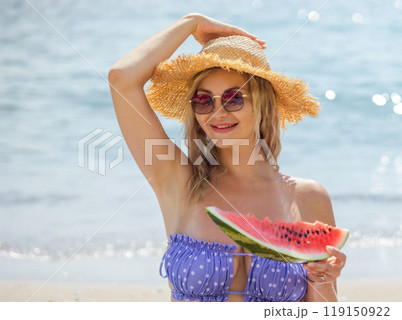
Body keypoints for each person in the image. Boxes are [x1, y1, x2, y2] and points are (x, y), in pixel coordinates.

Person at [108, 13, 346, 302]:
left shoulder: (309, 197)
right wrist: (191, 24)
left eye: (234, 98)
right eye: (203, 100)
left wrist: (322, 278)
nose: (218, 113)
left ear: (262, 103)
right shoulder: (179, 181)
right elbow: (121, 78)